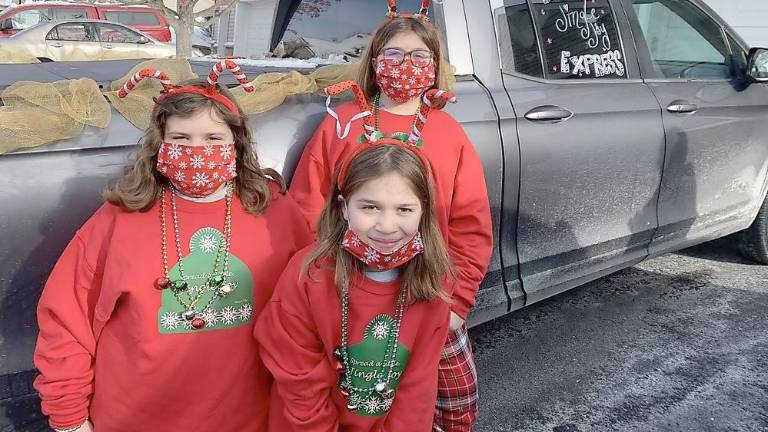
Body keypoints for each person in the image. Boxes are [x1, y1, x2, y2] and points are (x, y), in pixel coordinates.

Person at [33, 61, 312, 432]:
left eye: (213, 139)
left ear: (237, 144)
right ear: (160, 144)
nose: (197, 151)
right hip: (135, 417)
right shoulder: (120, 218)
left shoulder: (276, 213)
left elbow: (313, 311)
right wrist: (68, 416)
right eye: (181, 139)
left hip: (246, 418)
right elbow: (67, 318)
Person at [288, 1, 493, 430]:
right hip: (350, 290)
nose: (406, 64)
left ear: (435, 66)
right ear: (376, 61)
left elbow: (469, 225)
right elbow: (306, 208)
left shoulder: (448, 133)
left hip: (428, 290)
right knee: (361, 397)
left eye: (420, 56)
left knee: (452, 400)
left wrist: (459, 299)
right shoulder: (341, 125)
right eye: (394, 54)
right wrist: (317, 283)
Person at [257, 81, 456, 431]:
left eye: (405, 209)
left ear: (425, 212)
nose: (387, 225)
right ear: (343, 207)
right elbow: (298, 378)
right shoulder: (308, 274)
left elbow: (417, 387)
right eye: (370, 207)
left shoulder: (433, 282)